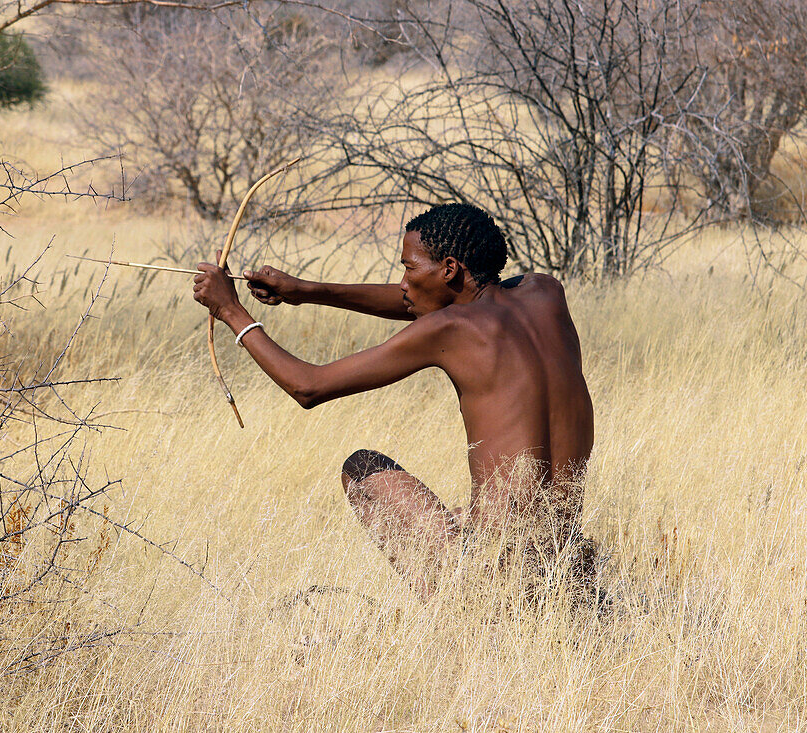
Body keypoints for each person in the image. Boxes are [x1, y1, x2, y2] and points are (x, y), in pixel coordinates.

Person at [193, 203, 594, 601]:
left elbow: (307, 386)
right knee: (466, 515)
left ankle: (456, 614)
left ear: (450, 269)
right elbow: (433, 301)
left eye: (409, 268)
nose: (402, 282)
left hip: (495, 576)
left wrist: (231, 310)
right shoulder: (545, 293)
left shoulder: (451, 329)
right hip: (563, 568)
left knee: (361, 468)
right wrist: (304, 291)